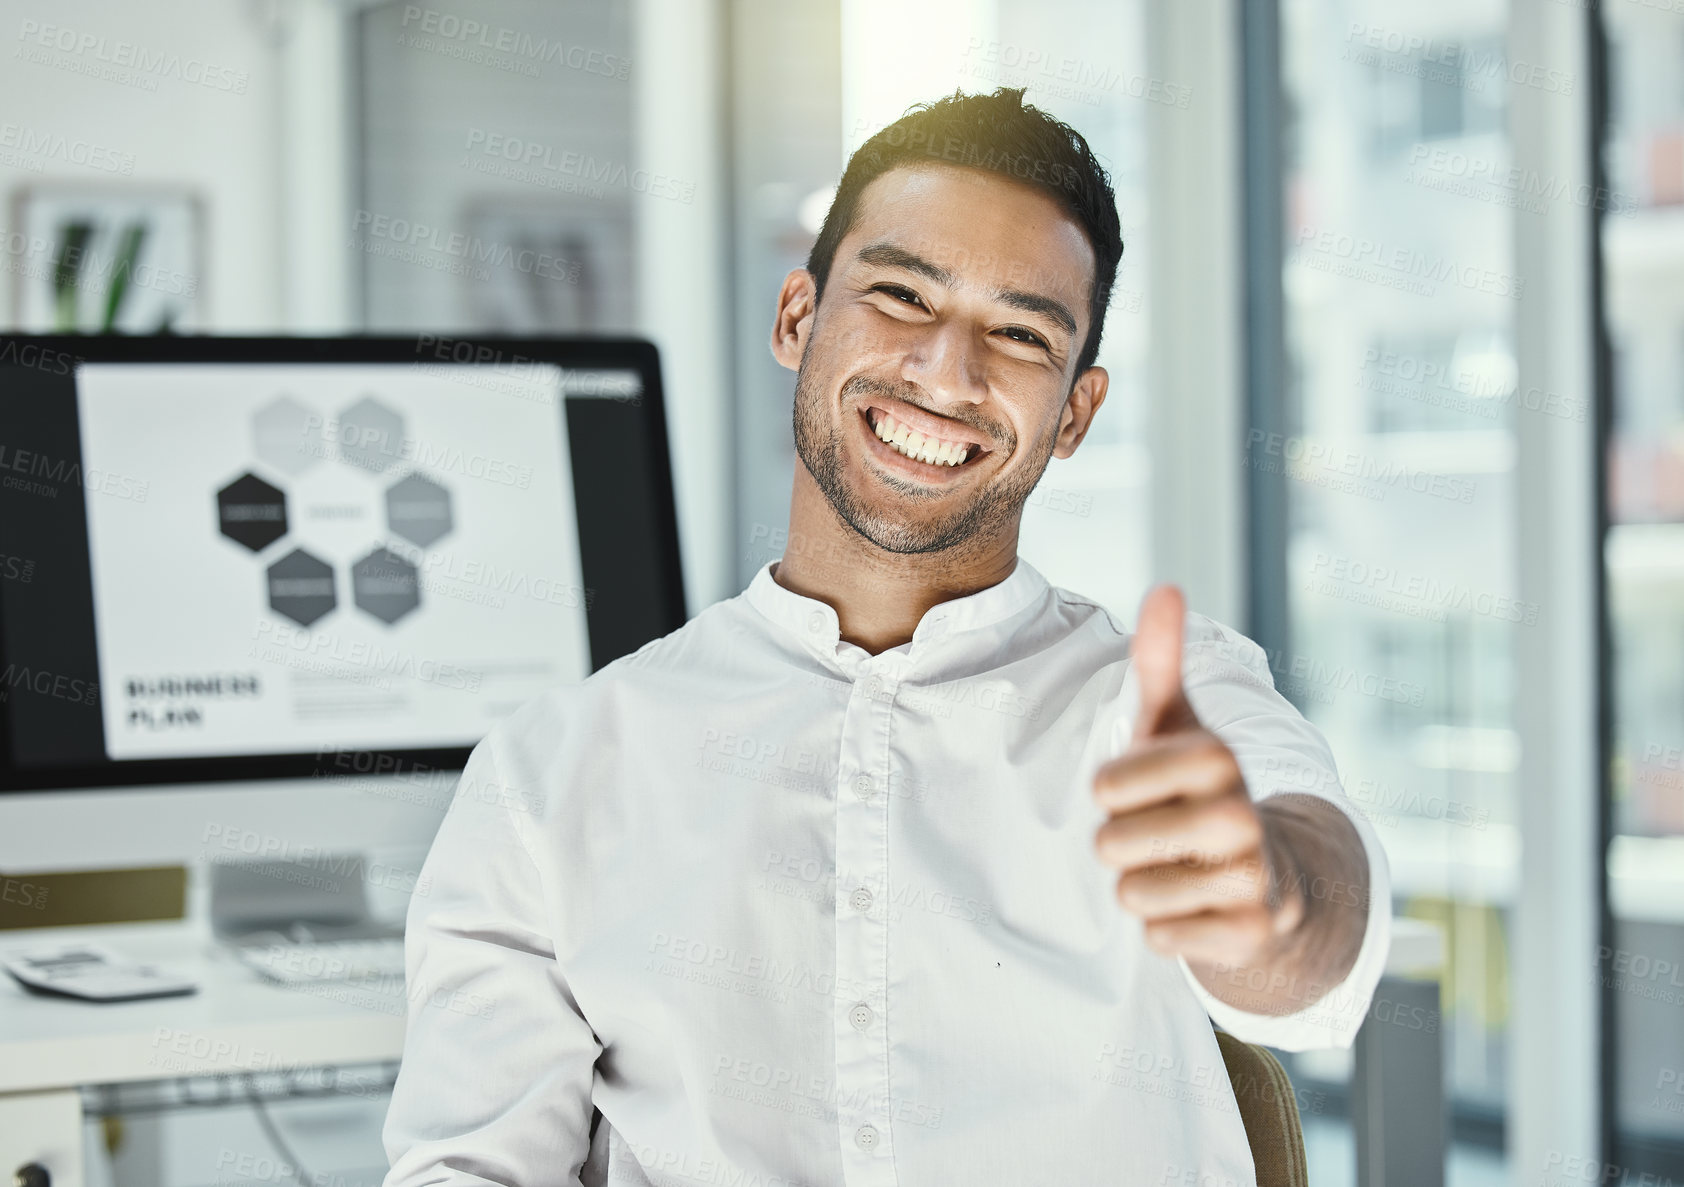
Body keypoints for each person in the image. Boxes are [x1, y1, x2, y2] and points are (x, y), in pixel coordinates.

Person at [382, 87, 1389, 1186]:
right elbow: (467, 1164)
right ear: (795, 318)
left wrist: (1270, 898)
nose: (947, 373)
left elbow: (1313, 930)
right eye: (902, 295)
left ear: (1075, 414)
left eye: (1018, 332)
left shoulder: (1159, 702)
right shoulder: (555, 769)